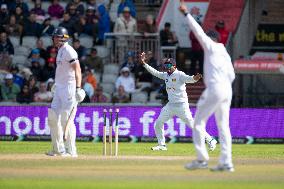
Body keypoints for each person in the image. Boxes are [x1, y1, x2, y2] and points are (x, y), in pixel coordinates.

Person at [179, 3, 235, 172]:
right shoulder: (225, 53)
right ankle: (226, 162)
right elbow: (232, 75)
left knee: (197, 123)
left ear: (211, 39)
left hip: (216, 88)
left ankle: (202, 159)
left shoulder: (211, 47)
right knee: (223, 126)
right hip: (227, 90)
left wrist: (187, 14)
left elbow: (198, 32)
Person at [140, 52, 217, 151]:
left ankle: (210, 140)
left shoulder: (179, 74)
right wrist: (144, 64)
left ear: (174, 66)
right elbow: (155, 73)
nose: (167, 67)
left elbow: (189, 79)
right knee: (158, 123)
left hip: (182, 106)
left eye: (168, 65)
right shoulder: (166, 75)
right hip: (170, 105)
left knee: (193, 126)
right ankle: (162, 145)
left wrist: (195, 78)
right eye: (165, 65)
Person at [46, 27, 86, 157]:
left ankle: (71, 150)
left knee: (65, 119)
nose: (54, 39)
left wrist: (78, 88)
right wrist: (56, 84)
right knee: (52, 118)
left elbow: (77, 70)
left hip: (69, 88)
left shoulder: (69, 51)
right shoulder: (60, 51)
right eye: (54, 37)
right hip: (59, 88)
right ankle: (57, 149)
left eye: (57, 36)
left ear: (63, 37)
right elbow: (62, 71)